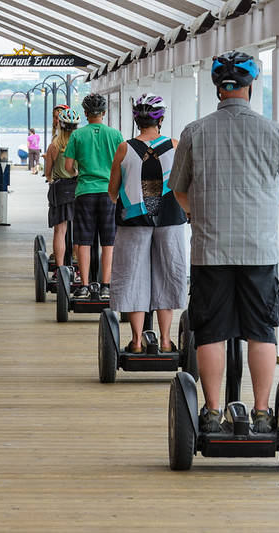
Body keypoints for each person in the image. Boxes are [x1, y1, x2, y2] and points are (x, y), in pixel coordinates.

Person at [169, 51, 279, 434]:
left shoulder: (195, 132)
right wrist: (259, 216)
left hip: (210, 249)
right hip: (259, 249)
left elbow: (178, 191)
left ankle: (210, 413)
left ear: (216, 88)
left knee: (210, 330)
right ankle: (261, 413)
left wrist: (201, 217)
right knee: (261, 329)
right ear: (251, 86)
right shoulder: (273, 131)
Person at [108, 94, 187, 353]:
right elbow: (185, 185)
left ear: (136, 120)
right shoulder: (175, 145)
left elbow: (112, 190)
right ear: (161, 119)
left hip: (133, 222)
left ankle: (137, 342)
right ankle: (165, 341)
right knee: (168, 274)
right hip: (170, 220)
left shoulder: (124, 148)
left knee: (133, 277)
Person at [64, 93, 123, 299]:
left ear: (86, 113)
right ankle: (106, 285)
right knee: (109, 242)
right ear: (104, 113)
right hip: (109, 193)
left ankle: (85, 285)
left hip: (85, 192)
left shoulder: (77, 136)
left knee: (84, 240)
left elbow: (68, 166)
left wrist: (77, 174)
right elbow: (122, 165)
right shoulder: (115, 135)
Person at [44, 108, 80, 269]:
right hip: (79, 187)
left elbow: (47, 173)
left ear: (60, 126)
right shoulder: (80, 144)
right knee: (79, 230)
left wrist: (53, 179)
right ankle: (79, 267)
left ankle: (60, 269)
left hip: (60, 189)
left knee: (60, 230)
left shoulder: (53, 146)